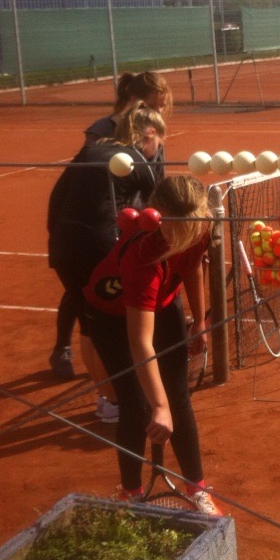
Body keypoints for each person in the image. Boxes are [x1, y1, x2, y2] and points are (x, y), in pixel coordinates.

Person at [84, 175, 221, 515]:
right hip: (113, 319)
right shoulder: (144, 258)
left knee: (180, 397)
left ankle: (197, 489)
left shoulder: (198, 226)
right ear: (159, 217)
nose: (190, 236)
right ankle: (130, 492)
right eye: (182, 230)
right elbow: (139, 340)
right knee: (137, 405)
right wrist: (159, 406)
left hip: (163, 302)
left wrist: (199, 322)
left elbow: (191, 268)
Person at [48, 102, 167, 422]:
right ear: (150, 133)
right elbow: (161, 207)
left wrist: (56, 240)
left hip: (62, 244)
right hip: (98, 246)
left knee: (89, 324)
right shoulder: (135, 159)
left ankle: (107, 400)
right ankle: (120, 401)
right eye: (159, 141)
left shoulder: (90, 150)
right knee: (116, 325)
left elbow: (56, 197)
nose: (158, 149)